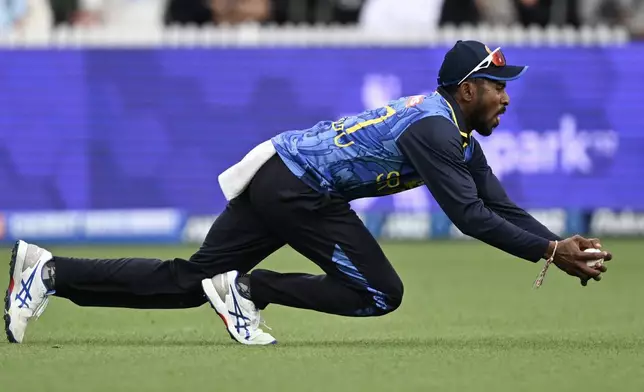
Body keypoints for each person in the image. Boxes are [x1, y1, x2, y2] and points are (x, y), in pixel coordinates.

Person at [4, 40, 612, 346]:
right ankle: (247, 289)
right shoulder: (433, 128)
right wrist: (548, 255)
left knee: (189, 283)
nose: (505, 97)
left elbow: (498, 205)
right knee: (381, 293)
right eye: (496, 86)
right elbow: (472, 217)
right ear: (466, 90)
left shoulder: (448, 129)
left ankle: (48, 272)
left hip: (286, 179)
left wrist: (556, 242)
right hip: (297, 191)